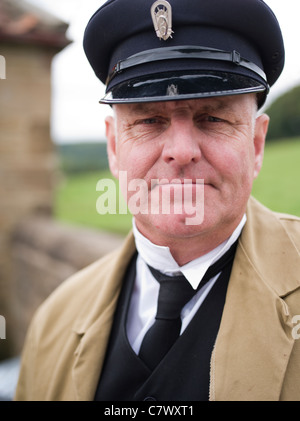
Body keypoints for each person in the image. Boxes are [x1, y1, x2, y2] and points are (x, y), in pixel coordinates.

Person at [15, 0, 300, 401]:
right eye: (149, 121)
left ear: (256, 144)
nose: (181, 151)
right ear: (114, 148)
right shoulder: (54, 321)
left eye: (213, 118)